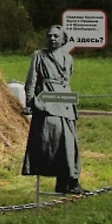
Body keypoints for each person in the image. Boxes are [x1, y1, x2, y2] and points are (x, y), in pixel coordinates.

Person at [21, 25, 84, 194]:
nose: (52, 39)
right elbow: (31, 82)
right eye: (49, 36)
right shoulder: (39, 56)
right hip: (47, 104)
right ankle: (66, 178)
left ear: (63, 39)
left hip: (65, 103)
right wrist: (29, 103)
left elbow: (67, 79)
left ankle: (68, 180)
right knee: (55, 140)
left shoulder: (68, 58)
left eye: (56, 36)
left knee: (71, 142)